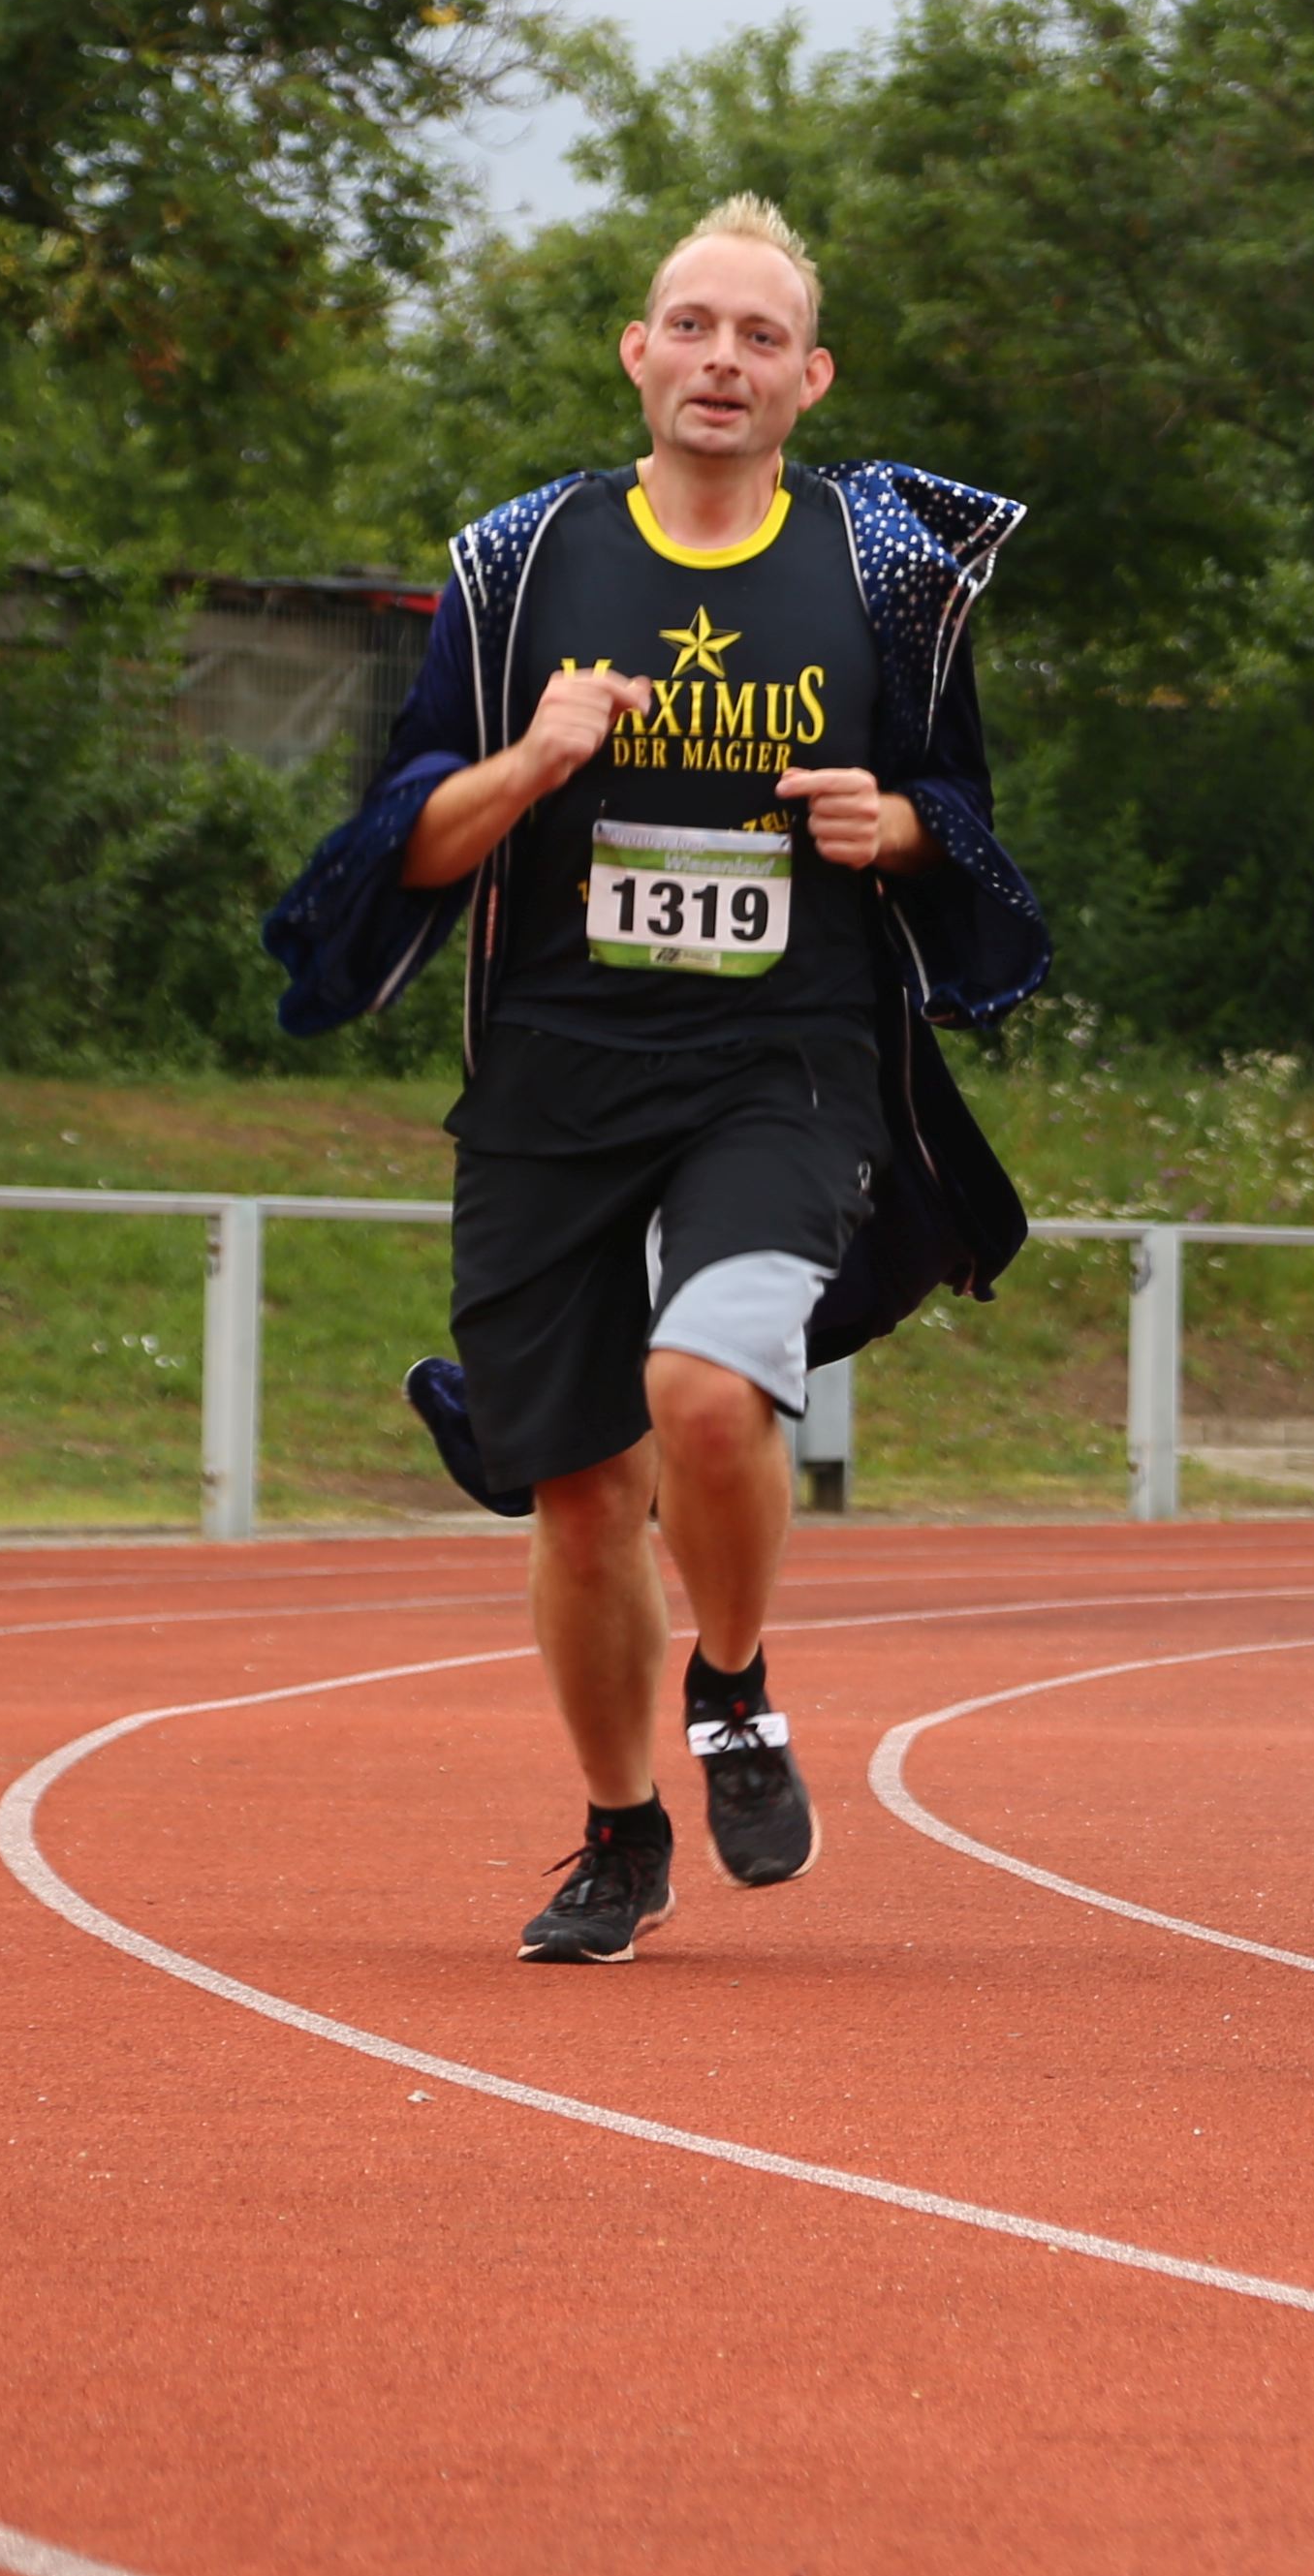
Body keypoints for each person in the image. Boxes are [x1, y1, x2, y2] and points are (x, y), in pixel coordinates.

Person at [263, 196, 1047, 1964]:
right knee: (577, 1488)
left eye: (761, 336)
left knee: (705, 1385)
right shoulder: (519, 560)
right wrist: (531, 760)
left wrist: (897, 824)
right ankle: (621, 1832)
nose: (721, 360)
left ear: (810, 377)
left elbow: (962, 815)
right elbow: (403, 841)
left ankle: (737, 1685)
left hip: (786, 1062)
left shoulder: (883, 565)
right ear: (636, 351)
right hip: (550, 1076)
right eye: (692, 325)